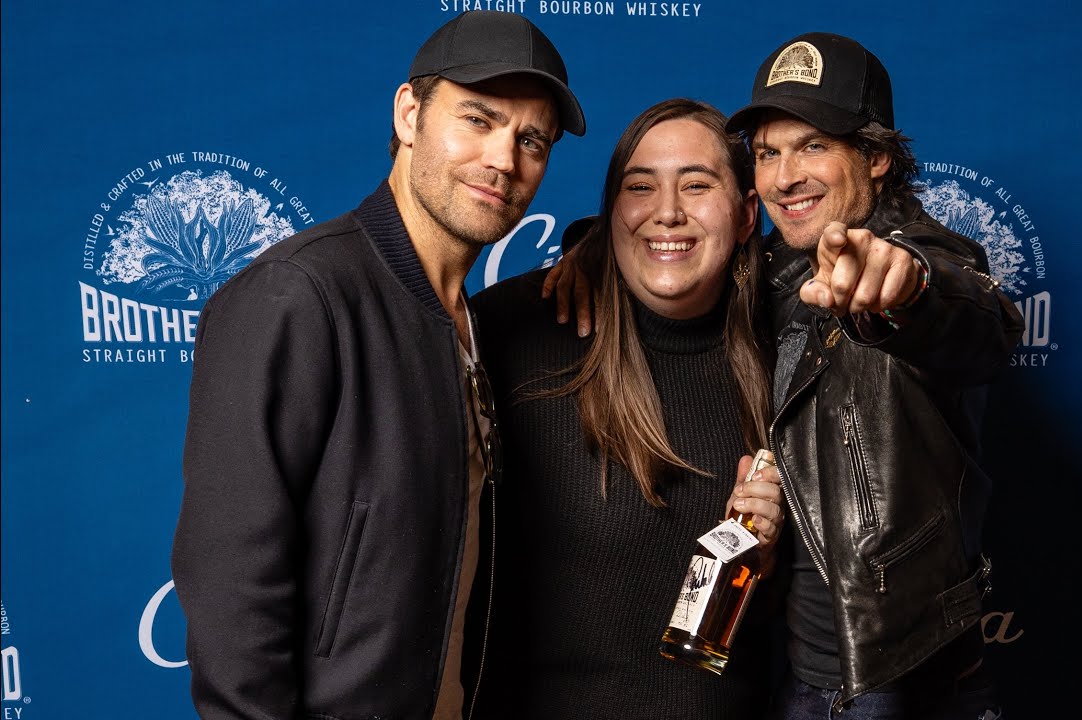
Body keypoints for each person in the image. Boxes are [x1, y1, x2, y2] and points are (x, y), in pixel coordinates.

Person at [170, 11, 584, 719]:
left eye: (532, 140)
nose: (504, 160)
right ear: (409, 113)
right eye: (478, 120)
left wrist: (595, 243)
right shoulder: (299, 296)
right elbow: (232, 591)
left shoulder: (469, 322)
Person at [722, 33, 1024, 718]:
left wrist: (904, 291)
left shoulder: (919, 258)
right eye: (768, 153)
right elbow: (681, 248)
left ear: (878, 156)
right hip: (795, 672)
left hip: (895, 681)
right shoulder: (771, 273)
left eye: (814, 146)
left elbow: (977, 319)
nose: (783, 176)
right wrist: (593, 258)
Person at [467, 99, 786, 720]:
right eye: (640, 188)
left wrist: (773, 558)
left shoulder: (795, 354)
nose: (667, 211)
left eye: (697, 185)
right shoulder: (517, 334)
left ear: (748, 214)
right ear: (613, 213)